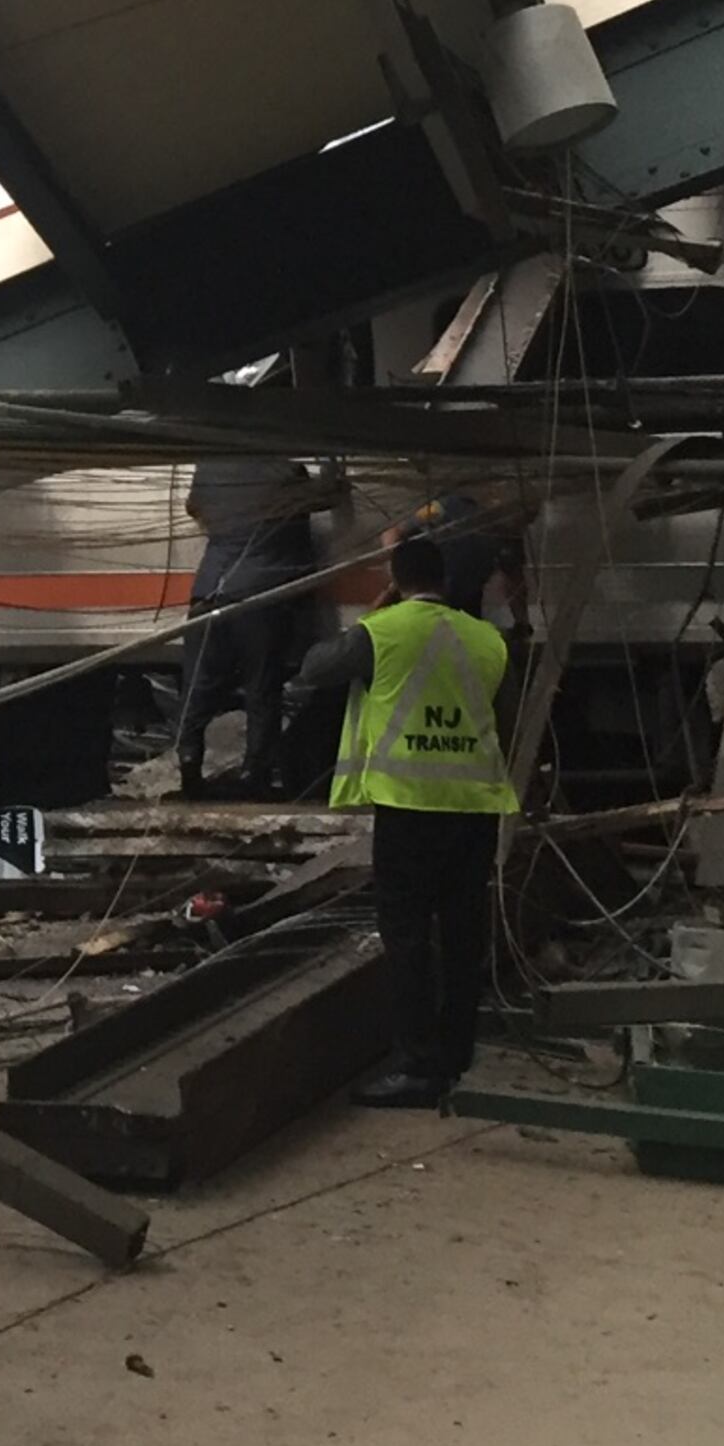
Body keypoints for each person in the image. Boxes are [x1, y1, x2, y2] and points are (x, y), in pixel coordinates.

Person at [317, 529, 516, 1107]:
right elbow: (502, 711)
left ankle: (417, 1066)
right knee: (461, 935)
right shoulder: (488, 641)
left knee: (405, 938)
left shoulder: (382, 632)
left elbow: (315, 667)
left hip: (408, 808)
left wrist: (378, 607)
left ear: (396, 579)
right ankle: (457, 1053)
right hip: (474, 809)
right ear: (447, 582)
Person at [176, 457, 312, 796]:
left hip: (209, 591)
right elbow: (328, 497)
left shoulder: (209, 467)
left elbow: (195, 507)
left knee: (197, 688)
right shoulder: (286, 470)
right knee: (262, 688)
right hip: (261, 594)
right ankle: (255, 776)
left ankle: (189, 770)